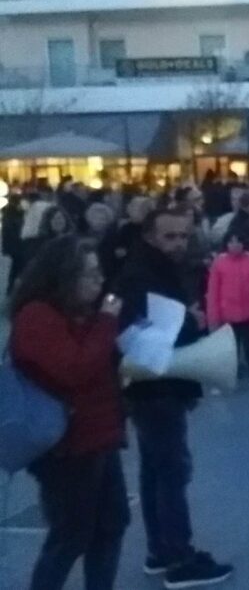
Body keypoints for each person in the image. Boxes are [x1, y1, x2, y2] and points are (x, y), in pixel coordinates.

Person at [116, 208, 234, 588]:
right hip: (157, 386)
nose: (179, 243)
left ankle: (160, 550)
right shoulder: (141, 275)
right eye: (170, 236)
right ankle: (180, 560)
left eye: (183, 236)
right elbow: (144, 330)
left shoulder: (152, 269)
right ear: (150, 236)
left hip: (153, 385)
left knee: (155, 470)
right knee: (172, 471)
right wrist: (189, 320)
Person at [10, 236, 127, 590]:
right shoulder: (37, 316)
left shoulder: (82, 312)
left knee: (111, 524)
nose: (98, 281)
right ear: (64, 276)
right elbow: (74, 368)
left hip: (99, 434)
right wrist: (106, 322)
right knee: (71, 535)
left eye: (99, 272)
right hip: (67, 445)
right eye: (89, 274)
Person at [206, 228, 249, 391]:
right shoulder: (219, 263)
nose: (235, 245)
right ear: (226, 244)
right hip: (227, 316)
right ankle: (224, 380)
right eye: (231, 242)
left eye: (238, 241)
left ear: (244, 243)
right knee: (228, 351)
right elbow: (213, 291)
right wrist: (214, 316)